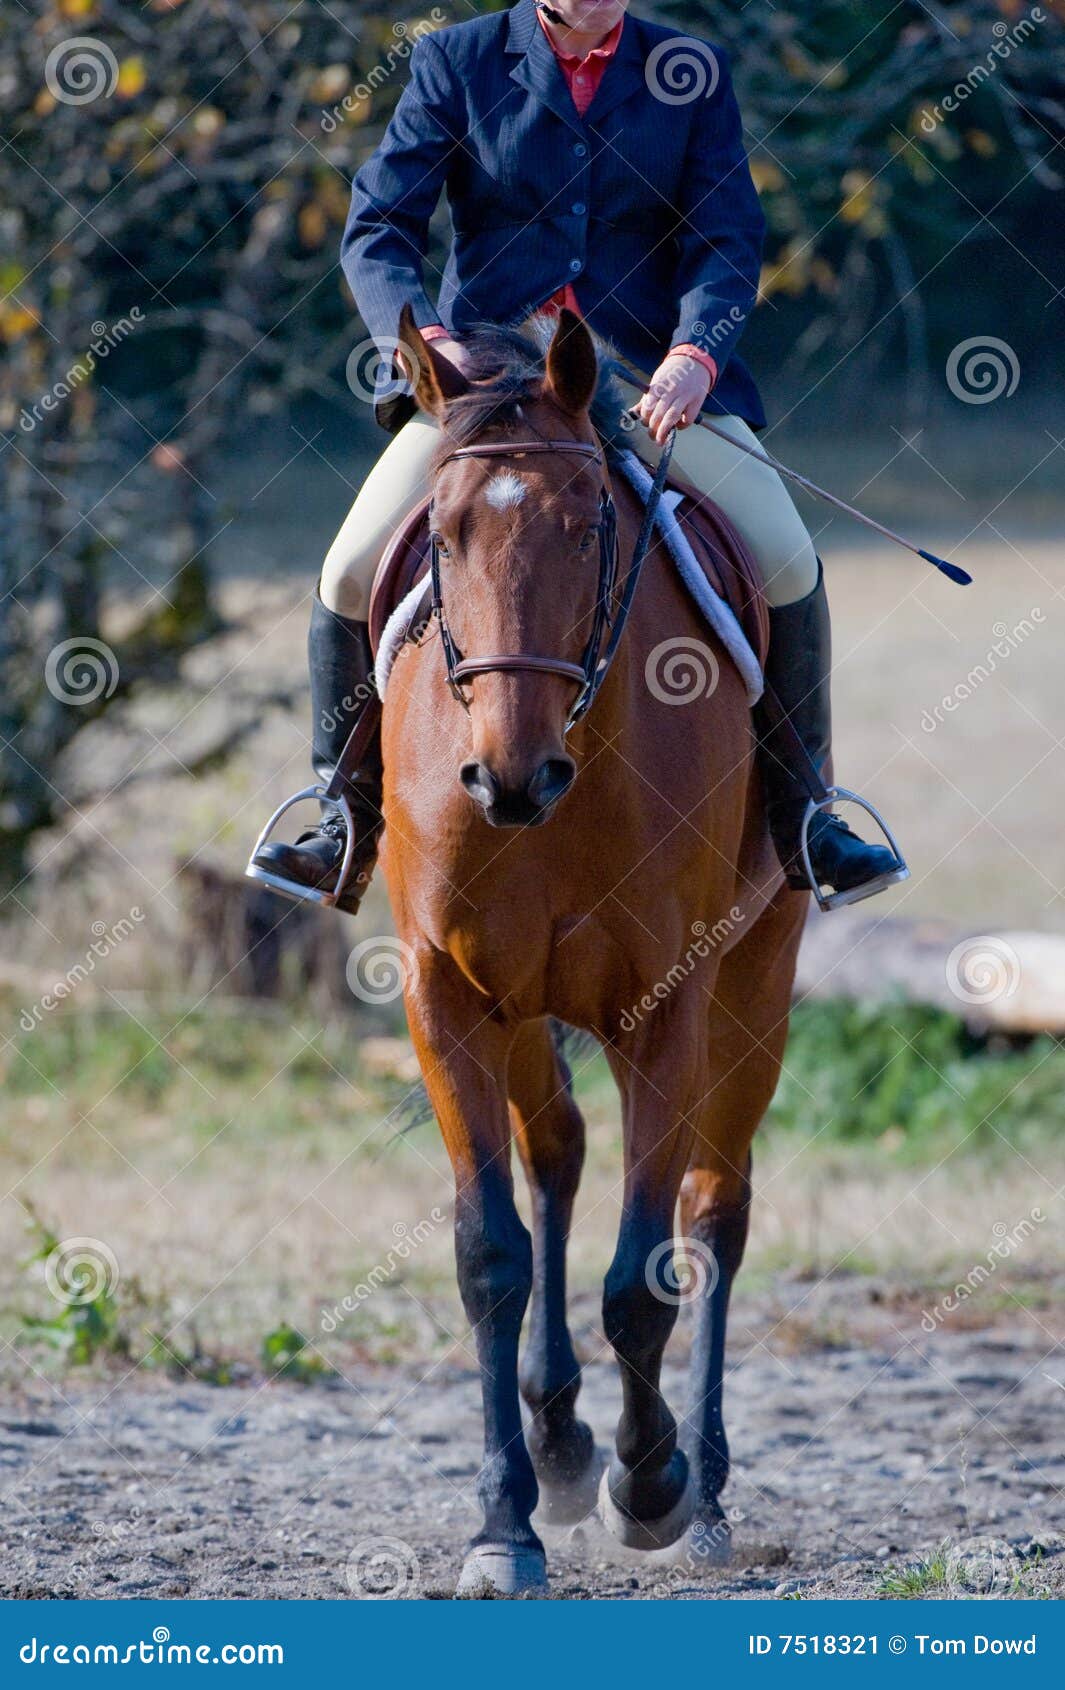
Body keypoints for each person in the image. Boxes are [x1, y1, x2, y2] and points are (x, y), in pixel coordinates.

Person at [250, 0, 905, 913]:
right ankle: (340, 822)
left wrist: (693, 356)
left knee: (786, 558)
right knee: (349, 569)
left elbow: (726, 239)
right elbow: (379, 227)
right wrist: (432, 346)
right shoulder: (456, 61)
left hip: (639, 380)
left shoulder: (689, 70)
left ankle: (807, 819)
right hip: (485, 388)